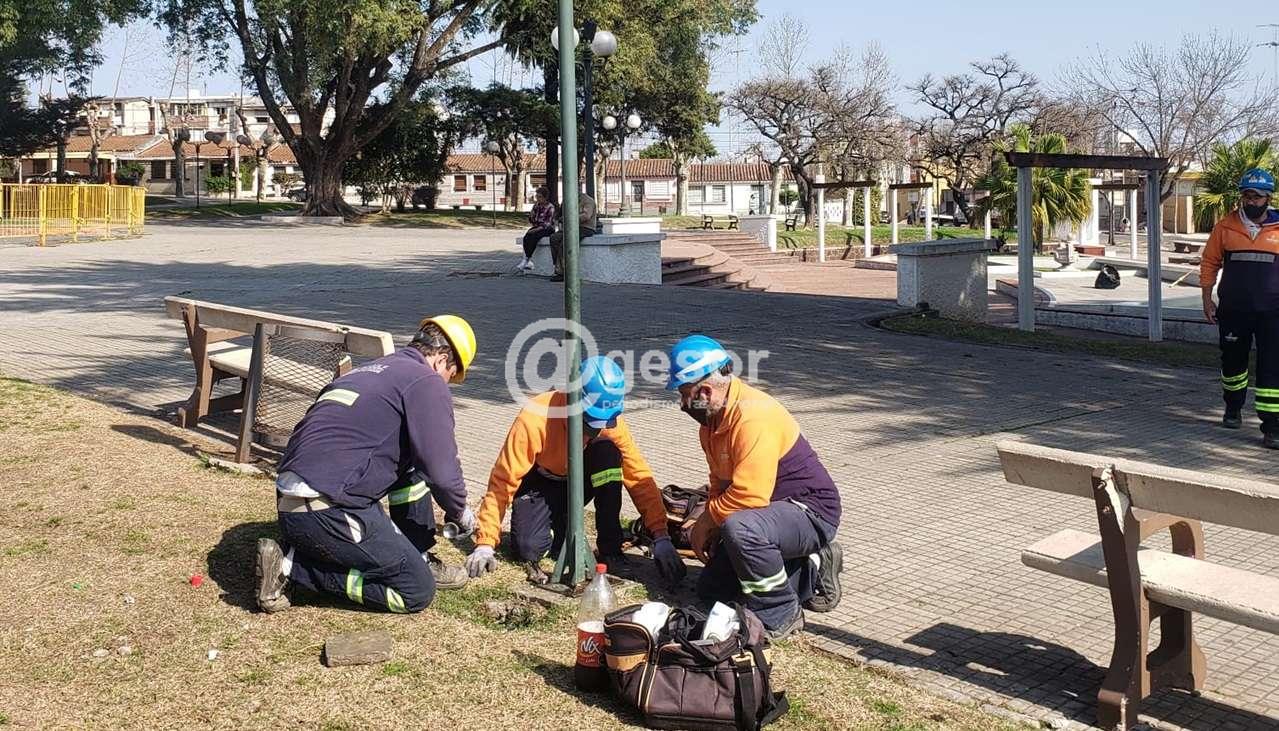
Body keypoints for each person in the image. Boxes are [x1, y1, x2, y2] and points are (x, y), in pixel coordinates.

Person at [254, 315, 479, 613]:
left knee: (412, 468)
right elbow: (441, 469)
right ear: (441, 359)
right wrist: (460, 511)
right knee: (415, 590)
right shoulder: (427, 381)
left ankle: (419, 555)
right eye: (452, 375)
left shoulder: (367, 372)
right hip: (328, 512)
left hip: (291, 505)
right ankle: (292, 569)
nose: (448, 383)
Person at [666, 334, 843, 639]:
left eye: (683, 395)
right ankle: (810, 567)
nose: (682, 405)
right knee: (712, 591)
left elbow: (749, 496)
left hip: (810, 512)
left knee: (740, 530)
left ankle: (782, 612)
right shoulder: (712, 425)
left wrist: (706, 522)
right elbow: (719, 484)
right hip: (767, 518)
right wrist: (711, 527)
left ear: (705, 392)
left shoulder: (752, 417)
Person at [464, 356, 685, 584]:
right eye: (588, 423)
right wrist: (485, 543)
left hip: (579, 483)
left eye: (600, 424)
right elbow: (503, 480)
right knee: (528, 549)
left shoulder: (609, 421)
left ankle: (611, 549)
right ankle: (560, 525)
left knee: (608, 453)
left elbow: (637, 475)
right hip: (541, 485)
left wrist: (661, 536)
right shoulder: (535, 417)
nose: (594, 432)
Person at [1201, 167, 1279, 447]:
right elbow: (1209, 262)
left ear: (1268, 198)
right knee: (1233, 363)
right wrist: (1206, 298)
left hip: (1273, 312)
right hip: (1234, 309)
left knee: (1273, 367)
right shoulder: (1225, 227)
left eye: (1257, 197)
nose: (1251, 201)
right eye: (1247, 196)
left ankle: (1272, 426)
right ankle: (1233, 407)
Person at [548, 193, 597, 282]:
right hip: (571, 227)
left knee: (566, 242)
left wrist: (570, 218)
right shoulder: (568, 199)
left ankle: (563, 272)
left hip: (585, 227)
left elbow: (586, 216)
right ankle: (558, 266)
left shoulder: (588, 200)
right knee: (554, 238)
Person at [519, 186, 555, 273]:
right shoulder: (536, 206)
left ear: (545, 197)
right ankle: (527, 259)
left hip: (547, 228)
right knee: (527, 237)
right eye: (537, 197)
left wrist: (537, 229)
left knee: (534, 237)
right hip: (537, 226)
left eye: (540, 197)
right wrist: (531, 217)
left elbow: (548, 223)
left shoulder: (550, 207)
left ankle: (528, 258)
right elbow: (533, 219)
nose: (538, 199)